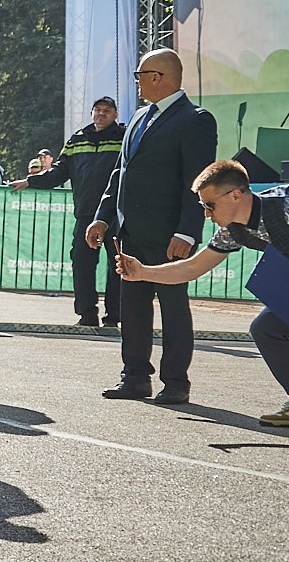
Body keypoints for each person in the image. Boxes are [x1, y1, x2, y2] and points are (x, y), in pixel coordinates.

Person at [88, 48, 217, 404]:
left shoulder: (195, 119)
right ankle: (134, 378)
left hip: (168, 236)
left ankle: (176, 382)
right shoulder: (140, 117)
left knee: (174, 307)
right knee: (132, 308)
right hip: (130, 232)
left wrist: (187, 231)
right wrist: (103, 216)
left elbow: (197, 180)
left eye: (141, 75)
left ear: (158, 77)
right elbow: (121, 173)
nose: (139, 82)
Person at [117, 159, 289, 425]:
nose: (206, 214)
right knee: (266, 328)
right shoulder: (232, 231)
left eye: (209, 205)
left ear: (235, 195)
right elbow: (192, 268)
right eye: (202, 206)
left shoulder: (284, 206)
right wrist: (142, 273)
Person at [15, 97, 126, 327]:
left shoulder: (124, 137)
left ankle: (114, 316)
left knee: (117, 265)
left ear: (116, 114)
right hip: (86, 214)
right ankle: (87, 315)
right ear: (91, 113)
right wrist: (30, 181)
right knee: (82, 263)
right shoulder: (77, 140)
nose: (101, 114)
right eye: (97, 110)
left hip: (117, 213)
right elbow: (58, 173)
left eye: (107, 111)